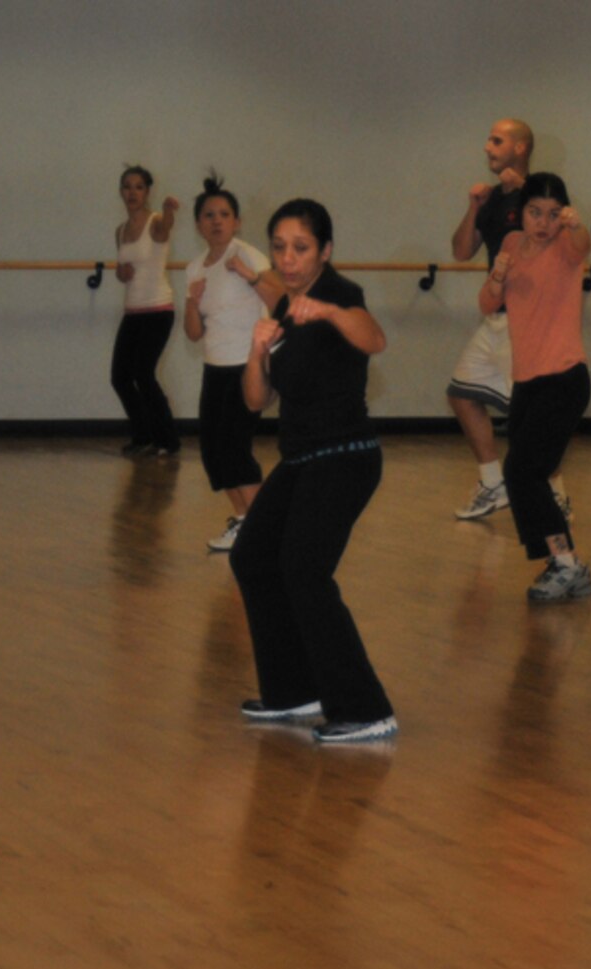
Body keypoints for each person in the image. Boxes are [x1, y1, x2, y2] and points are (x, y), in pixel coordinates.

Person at [231, 199, 397, 744]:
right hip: (302, 459)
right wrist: (256, 353)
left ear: (325, 251)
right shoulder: (283, 309)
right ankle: (293, 690)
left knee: (304, 572)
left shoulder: (341, 295)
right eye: (279, 247)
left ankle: (366, 709)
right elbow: (256, 401)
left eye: (300, 248)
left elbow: (375, 339)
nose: (288, 258)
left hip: (346, 456)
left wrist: (326, 312)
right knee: (253, 556)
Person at [479, 173, 591, 602]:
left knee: (524, 472)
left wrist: (575, 223)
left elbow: (583, 246)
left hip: (564, 378)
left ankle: (567, 564)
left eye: (551, 214)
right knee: (520, 473)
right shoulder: (511, 245)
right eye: (534, 212)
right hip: (527, 382)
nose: (542, 222)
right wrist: (497, 275)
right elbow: (488, 303)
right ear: (521, 212)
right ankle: (559, 559)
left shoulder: (567, 242)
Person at [448, 119, 570, 519]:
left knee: (532, 417)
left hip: (527, 323)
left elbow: (563, 240)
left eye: (496, 140)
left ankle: (556, 494)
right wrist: (473, 209)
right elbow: (462, 251)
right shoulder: (492, 200)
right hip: (496, 317)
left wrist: (523, 193)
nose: (487, 147)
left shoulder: (538, 196)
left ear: (520, 148)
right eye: (488, 140)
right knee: (461, 394)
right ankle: (492, 483)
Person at [185, 172, 282, 552]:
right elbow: (193, 333)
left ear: (237, 221)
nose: (217, 221)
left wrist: (252, 276)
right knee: (212, 450)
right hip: (214, 368)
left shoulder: (249, 255)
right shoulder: (195, 268)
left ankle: (263, 529)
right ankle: (246, 521)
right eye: (209, 215)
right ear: (198, 225)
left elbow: (280, 300)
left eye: (224, 214)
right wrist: (192, 301)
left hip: (248, 368)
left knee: (233, 447)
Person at [110, 165, 182, 457]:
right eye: (127, 186)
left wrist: (168, 211)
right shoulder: (120, 231)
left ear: (147, 192)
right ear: (121, 192)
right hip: (133, 312)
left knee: (143, 373)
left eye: (139, 186)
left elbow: (165, 230)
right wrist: (122, 272)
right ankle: (143, 437)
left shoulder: (155, 222)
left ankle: (167, 440)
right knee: (120, 377)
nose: (132, 192)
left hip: (158, 310)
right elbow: (122, 271)